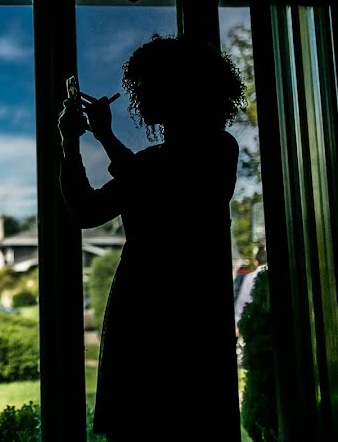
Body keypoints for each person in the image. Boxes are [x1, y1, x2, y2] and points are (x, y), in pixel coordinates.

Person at [58, 33, 246, 441]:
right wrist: (75, 142)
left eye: (148, 87)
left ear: (179, 89)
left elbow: (156, 190)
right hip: (169, 305)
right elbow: (89, 211)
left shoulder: (215, 150)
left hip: (168, 307)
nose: (140, 99)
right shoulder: (204, 152)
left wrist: (91, 139)